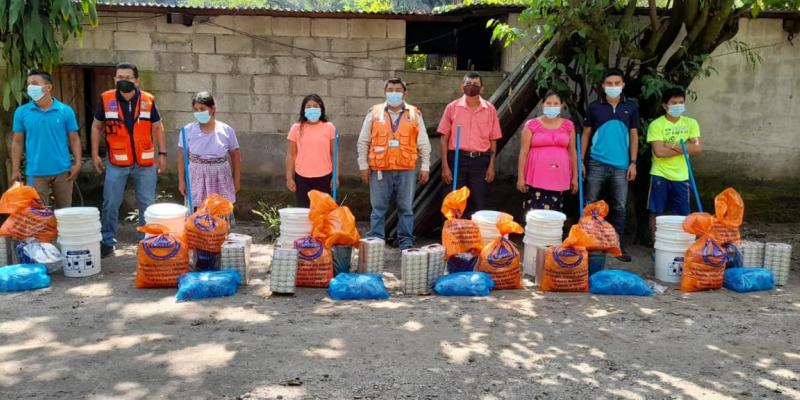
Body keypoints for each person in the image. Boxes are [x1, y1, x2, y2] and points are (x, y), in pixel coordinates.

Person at [91, 63, 167, 258]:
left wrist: (163, 155)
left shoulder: (148, 100)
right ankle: (107, 242)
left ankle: (147, 242)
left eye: (127, 77)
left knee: (147, 204)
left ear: (136, 80)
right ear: (115, 80)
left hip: (145, 163)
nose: (123, 80)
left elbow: (158, 128)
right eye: (119, 77)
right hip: (116, 162)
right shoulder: (106, 99)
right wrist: (94, 154)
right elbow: (96, 127)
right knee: (111, 203)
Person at [357, 78, 431, 249]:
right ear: (385, 92)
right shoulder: (374, 113)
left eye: (398, 90)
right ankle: (376, 240)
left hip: (406, 170)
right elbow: (363, 141)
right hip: (380, 170)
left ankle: (405, 240)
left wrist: (425, 166)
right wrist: (363, 166)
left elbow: (424, 143)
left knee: (406, 209)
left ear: (405, 93)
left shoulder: (414, 114)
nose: (394, 93)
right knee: (378, 209)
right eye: (390, 89)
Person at [581, 68, 640, 262]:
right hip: (596, 162)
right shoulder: (594, 107)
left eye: (617, 83)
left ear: (623, 85)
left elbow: (633, 135)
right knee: (590, 204)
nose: (613, 87)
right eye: (609, 84)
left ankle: (616, 244)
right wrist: (581, 161)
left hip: (621, 165)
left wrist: (633, 162)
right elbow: (587, 134)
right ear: (603, 86)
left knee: (620, 206)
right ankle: (587, 241)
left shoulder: (630, 107)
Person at [10, 69, 82, 209]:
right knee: (38, 216)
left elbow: (74, 139)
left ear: (48, 87)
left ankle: (61, 232)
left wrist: (77, 164)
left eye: (35, 83)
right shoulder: (22, 112)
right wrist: (15, 169)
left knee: (65, 213)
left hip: (63, 171)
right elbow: (17, 141)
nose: (30, 87)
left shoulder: (65, 110)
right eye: (29, 84)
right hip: (35, 172)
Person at [437, 71, 502, 217]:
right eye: (468, 84)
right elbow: (443, 138)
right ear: (462, 87)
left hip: (480, 161)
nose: (472, 87)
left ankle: (476, 235)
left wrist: (492, 165)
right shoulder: (452, 108)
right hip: (457, 160)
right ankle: (451, 236)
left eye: (476, 85)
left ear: (482, 88)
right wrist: (445, 166)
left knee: (480, 201)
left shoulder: (490, 110)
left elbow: (493, 139)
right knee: (453, 201)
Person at [647, 87, 702, 238]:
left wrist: (671, 145)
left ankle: (681, 242)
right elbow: (659, 152)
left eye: (681, 102)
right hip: (660, 174)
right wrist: (684, 148)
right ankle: (656, 243)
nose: (678, 106)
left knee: (683, 213)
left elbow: (697, 149)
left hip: (682, 175)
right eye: (674, 103)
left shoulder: (691, 123)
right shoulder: (656, 125)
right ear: (665, 105)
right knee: (656, 211)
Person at [178, 92, 241, 211]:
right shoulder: (187, 131)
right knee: (198, 213)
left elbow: (235, 154)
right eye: (196, 109)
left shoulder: (226, 130)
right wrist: (181, 181)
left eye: (202, 109)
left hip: (220, 177)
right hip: (196, 178)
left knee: (219, 213)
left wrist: (236, 179)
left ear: (213, 109)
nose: (199, 112)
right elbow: (182, 156)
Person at [516, 91, 578, 213]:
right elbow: (523, 152)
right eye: (548, 103)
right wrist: (520, 177)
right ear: (542, 104)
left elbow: (572, 153)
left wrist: (575, 177)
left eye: (555, 103)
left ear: (561, 105)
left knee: (554, 215)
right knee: (534, 215)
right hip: (535, 177)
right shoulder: (531, 125)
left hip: (558, 176)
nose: (552, 106)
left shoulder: (569, 125)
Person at [285, 94, 337, 208]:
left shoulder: (329, 127)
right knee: (304, 213)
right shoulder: (296, 128)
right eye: (308, 106)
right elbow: (291, 155)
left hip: (324, 177)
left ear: (321, 108)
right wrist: (289, 178)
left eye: (315, 106)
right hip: (302, 178)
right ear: (303, 110)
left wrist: (335, 176)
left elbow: (335, 154)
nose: (312, 109)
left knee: (323, 213)